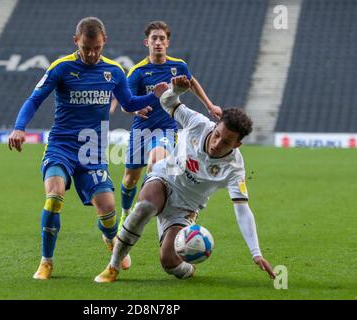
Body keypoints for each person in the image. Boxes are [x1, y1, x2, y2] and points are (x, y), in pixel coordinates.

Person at [8, 17, 167, 280]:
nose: (92, 54)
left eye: (96, 48)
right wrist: (19, 127)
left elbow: (128, 102)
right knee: (54, 196)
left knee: (107, 208)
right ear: (76, 42)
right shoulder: (61, 67)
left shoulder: (114, 71)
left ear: (104, 41)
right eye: (86, 48)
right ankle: (46, 261)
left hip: (93, 150)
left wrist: (155, 94)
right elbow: (34, 99)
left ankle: (109, 238)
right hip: (62, 145)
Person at [95, 75, 276, 282]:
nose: (217, 143)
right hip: (164, 179)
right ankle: (114, 265)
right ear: (216, 125)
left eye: (226, 142)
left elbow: (242, 209)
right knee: (144, 207)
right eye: (217, 135)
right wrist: (176, 92)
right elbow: (167, 102)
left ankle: (188, 269)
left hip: (185, 207)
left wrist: (256, 253)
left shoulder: (234, 168)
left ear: (237, 145)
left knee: (169, 262)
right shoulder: (198, 123)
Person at [111, 21, 222, 235]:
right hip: (141, 130)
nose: (158, 43)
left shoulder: (178, 66)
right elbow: (126, 104)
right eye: (154, 39)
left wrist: (209, 105)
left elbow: (192, 82)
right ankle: (125, 211)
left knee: (157, 161)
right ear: (147, 42)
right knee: (129, 178)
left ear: (168, 43)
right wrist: (135, 111)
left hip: (166, 128)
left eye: (162, 39)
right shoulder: (138, 71)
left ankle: (146, 204)